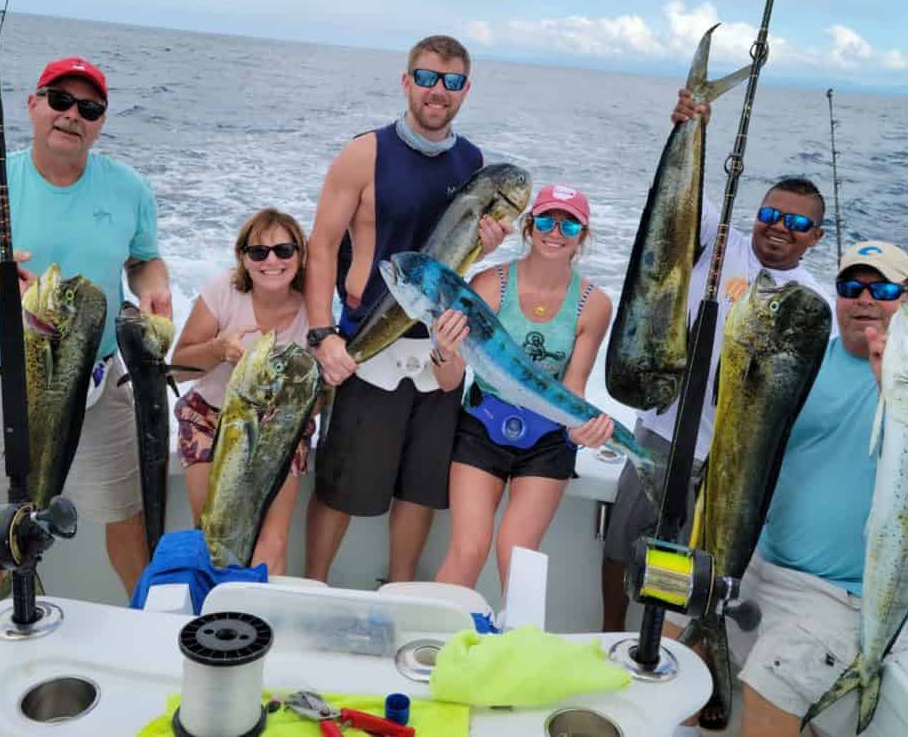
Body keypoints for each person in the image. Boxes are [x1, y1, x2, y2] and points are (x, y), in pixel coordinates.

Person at [0, 57, 171, 736]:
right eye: (60, 99)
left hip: (99, 384)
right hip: (2, 382)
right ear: (33, 105)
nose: (73, 115)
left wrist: (152, 286)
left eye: (89, 109)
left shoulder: (128, 188)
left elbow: (144, 255)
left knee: (130, 522)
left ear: (100, 124)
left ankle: (149, 649)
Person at [601, 90, 838, 636]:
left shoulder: (811, 302)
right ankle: (608, 632)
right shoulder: (716, 239)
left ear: (815, 238)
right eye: (771, 214)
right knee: (620, 547)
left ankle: (680, 658)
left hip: (726, 457)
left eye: (797, 224)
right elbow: (676, 199)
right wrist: (691, 127)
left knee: (694, 573)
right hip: (659, 434)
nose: (779, 227)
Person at [728, 241, 908, 737]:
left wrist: (897, 389)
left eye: (883, 288)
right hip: (761, 563)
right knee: (686, 666)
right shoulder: (804, 359)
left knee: (767, 695)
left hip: (851, 599)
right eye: (852, 286)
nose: (864, 298)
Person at [304, 34, 509, 583]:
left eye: (451, 81)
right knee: (341, 487)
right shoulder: (364, 153)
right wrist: (322, 334)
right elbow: (320, 246)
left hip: (441, 346)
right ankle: (313, 584)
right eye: (426, 77)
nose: (437, 91)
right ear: (406, 82)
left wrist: (488, 247)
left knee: (421, 489)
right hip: (366, 344)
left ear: (465, 90)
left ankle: (399, 591)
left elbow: (459, 256)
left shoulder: (475, 164)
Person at [430, 184, 616, 589]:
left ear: (582, 237)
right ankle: (435, 642)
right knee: (469, 549)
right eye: (546, 220)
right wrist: (443, 350)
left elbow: (574, 387)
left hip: (548, 439)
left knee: (517, 553)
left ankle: (518, 649)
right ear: (529, 227)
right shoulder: (488, 285)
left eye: (569, 227)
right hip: (482, 425)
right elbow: (449, 380)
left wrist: (585, 430)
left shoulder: (595, 304)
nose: (555, 232)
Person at [170, 207, 312, 575]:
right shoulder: (223, 292)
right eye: (258, 252)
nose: (272, 261)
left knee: (272, 539)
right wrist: (218, 349)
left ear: (300, 255)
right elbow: (179, 368)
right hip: (208, 417)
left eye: (284, 250)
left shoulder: (316, 308)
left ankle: (264, 620)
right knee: (210, 531)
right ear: (243, 258)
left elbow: (317, 397)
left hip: (281, 426)